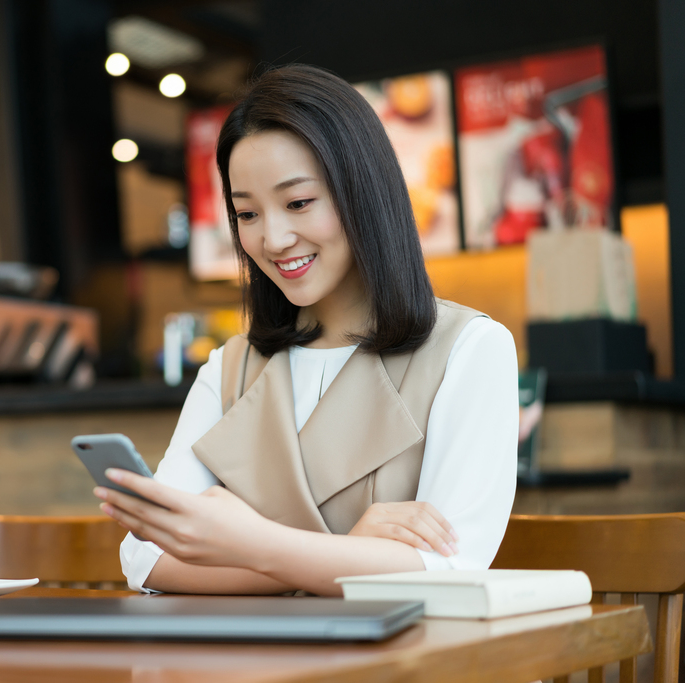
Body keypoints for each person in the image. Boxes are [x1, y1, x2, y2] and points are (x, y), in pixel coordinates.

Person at [95, 64, 518, 597]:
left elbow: (450, 572)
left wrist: (254, 545)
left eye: (298, 203)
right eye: (247, 214)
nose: (273, 238)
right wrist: (349, 551)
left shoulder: (469, 350)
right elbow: (146, 559)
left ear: (362, 191)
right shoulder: (231, 368)